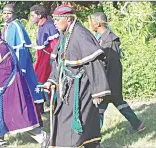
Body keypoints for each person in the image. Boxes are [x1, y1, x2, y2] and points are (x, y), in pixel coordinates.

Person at [42, 5, 111, 147]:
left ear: (68, 19)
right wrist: (51, 80)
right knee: (68, 122)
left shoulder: (80, 34)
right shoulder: (65, 35)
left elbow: (94, 63)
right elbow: (59, 62)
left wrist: (98, 91)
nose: (54, 22)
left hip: (82, 88)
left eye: (57, 19)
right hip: (67, 88)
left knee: (75, 124)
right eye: (54, 19)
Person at [0, 27, 49, 148]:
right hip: (4, 88)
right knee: (0, 114)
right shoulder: (4, 46)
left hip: (6, 90)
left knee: (18, 115)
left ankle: (43, 137)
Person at [88, 12, 146, 134]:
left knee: (100, 107)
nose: (90, 24)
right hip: (108, 81)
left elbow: (110, 65)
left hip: (110, 80)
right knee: (118, 103)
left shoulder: (110, 40)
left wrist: (103, 86)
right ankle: (138, 124)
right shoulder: (100, 37)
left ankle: (94, 135)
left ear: (97, 24)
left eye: (91, 22)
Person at [1, 4, 44, 126]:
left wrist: (21, 69)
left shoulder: (16, 27)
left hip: (20, 67)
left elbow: (22, 49)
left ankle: (36, 121)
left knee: (28, 94)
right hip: (11, 67)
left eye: (8, 13)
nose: (6, 16)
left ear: (13, 14)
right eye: (4, 13)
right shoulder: (6, 27)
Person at [30, 4, 60, 113]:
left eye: (33, 16)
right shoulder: (42, 26)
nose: (31, 18)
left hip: (48, 61)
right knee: (37, 81)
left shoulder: (49, 26)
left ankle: (54, 106)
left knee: (43, 82)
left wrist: (53, 62)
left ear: (40, 15)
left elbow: (55, 46)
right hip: (42, 59)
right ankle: (40, 109)